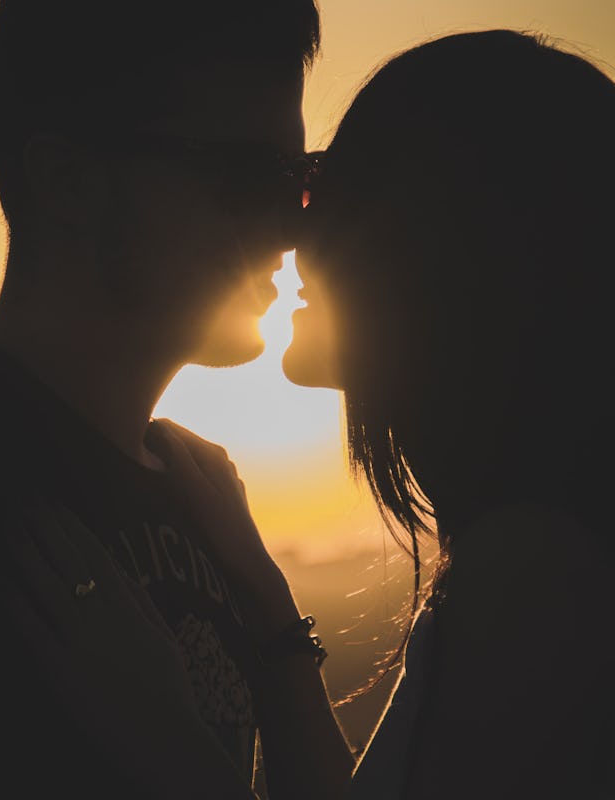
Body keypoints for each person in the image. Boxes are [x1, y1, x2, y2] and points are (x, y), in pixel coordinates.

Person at [0, 1, 356, 798]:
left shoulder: (201, 499)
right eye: (251, 180)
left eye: (301, 182)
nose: (289, 231)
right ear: (69, 184)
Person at [152, 28, 615, 800]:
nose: (292, 225)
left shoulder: (532, 574)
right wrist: (268, 607)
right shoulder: (530, 551)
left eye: (326, 182)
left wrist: (135, 706)